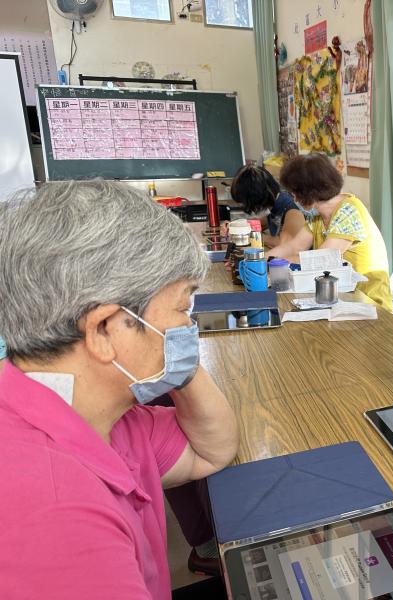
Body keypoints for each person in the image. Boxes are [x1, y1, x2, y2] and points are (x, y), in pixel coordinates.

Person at [0, 181, 239, 598]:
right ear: (106, 329)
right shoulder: (55, 517)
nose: (189, 328)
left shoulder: (107, 415)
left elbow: (212, 450)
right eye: (184, 308)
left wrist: (176, 362)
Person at [268, 153, 393, 311]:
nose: (294, 200)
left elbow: (320, 260)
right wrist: (260, 260)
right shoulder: (319, 218)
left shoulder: (349, 212)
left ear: (308, 194)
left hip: (370, 303)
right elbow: (294, 247)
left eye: (295, 194)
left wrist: (275, 263)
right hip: (341, 299)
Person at [229, 163, 307, 247]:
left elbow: (287, 244)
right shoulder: (274, 204)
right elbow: (259, 223)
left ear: (256, 197)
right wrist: (234, 227)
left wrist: (252, 236)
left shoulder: (292, 210)